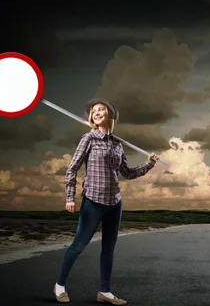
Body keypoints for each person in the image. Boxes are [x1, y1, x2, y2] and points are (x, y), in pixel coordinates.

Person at [53, 98, 159, 305]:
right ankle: (59, 285)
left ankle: (105, 292)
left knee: (109, 248)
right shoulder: (89, 139)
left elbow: (127, 173)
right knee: (78, 246)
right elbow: (72, 169)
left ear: (110, 114)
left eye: (101, 109)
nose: (96, 113)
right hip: (93, 201)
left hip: (115, 203)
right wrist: (70, 197)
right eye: (93, 111)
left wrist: (149, 164)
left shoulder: (118, 144)